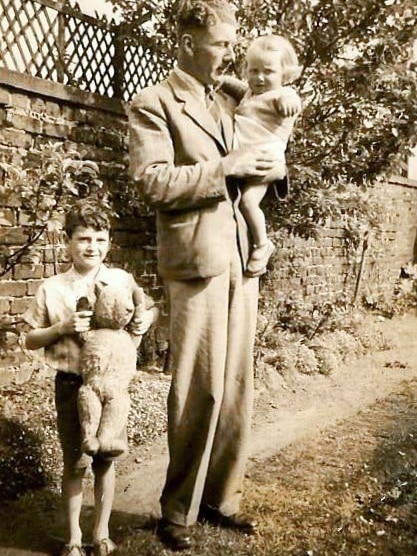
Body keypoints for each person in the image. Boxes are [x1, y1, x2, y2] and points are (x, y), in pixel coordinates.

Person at [128, 0, 295, 551]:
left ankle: (221, 498)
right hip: (196, 259)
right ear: (186, 42)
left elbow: (266, 141)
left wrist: (276, 167)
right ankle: (176, 511)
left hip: (242, 256)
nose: (229, 56)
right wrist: (228, 169)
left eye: (231, 47)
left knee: (237, 387)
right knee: (199, 387)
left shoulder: (228, 98)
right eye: (221, 45)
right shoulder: (154, 103)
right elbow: (153, 182)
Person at [23, 197, 158, 556]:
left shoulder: (121, 279)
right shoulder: (53, 288)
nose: (92, 247)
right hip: (72, 384)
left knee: (106, 459)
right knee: (76, 460)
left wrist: (145, 321)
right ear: (67, 242)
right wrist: (62, 327)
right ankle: (72, 538)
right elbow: (29, 338)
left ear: (109, 242)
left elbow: (148, 310)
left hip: (113, 385)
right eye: (83, 239)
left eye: (100, 239)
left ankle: (101, 532)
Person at [233, 34, 302, 277]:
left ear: (284, 74)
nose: (260, 77)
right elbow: (233, 85)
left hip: (264, 160)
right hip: (245, 157)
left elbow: (291, 98)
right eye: (253, 70)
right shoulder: (250, 93)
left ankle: (263, 244)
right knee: (240, 202)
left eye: (268, 71)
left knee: (248, 202)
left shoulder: (281, 95)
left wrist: (289, 100)